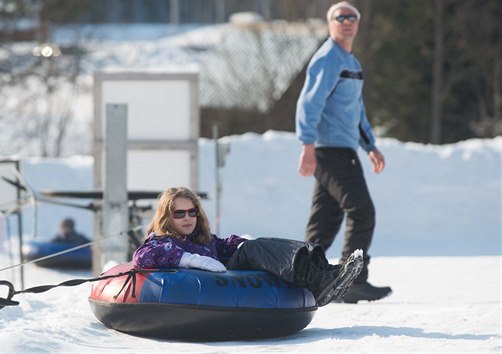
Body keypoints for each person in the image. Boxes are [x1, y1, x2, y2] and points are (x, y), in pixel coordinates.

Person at [295, 1, 391, 303]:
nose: (346, 21)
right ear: (330, 23)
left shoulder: (352, 62)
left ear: (358, 24)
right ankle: (353, 281)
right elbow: (309, 104)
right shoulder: (327, 58)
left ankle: (302, 279)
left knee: (325, 221)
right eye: (340, 17)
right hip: (330, 151)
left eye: (352, 17)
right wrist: (307, 145)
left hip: (344, 148)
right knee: (362, 212)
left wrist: (370, 145)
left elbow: (356, 110)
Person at [132, 187, 363, 307]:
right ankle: (319, 281)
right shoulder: (162, 240)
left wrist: (242, 241)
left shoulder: (201, 238)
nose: (187, 218)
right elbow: (143, 256)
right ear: (166, 216)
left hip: (224, 271)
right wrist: (189, 259)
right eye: (179, 213)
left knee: (259, 244)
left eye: (192, 212)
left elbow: (223, 244)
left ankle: (323, 272)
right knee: (254, 249)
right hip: (198, 290)